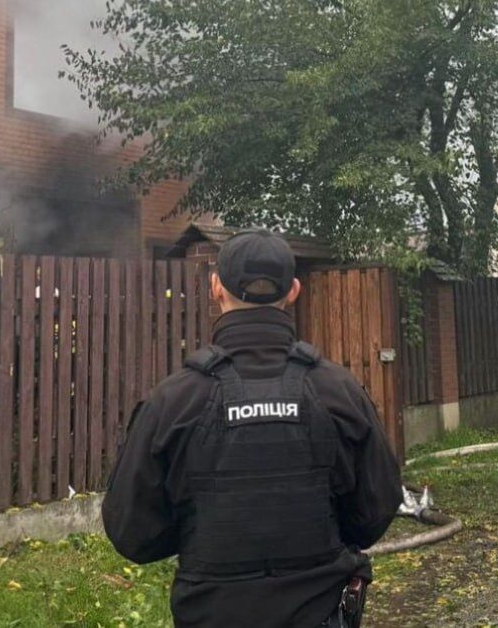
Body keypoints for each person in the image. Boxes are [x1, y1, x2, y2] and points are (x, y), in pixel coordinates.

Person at [103, 229, 403, 627]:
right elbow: (375, 510)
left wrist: (204, 534)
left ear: (216, 288)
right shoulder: (339, 391)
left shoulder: (173, 401)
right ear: (294, 290)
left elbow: (132, 532)